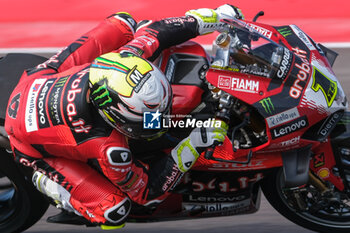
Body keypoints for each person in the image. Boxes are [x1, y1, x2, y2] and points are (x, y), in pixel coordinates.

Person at [4, 4, 243, 228]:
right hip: (27, 143)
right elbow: (147, 194)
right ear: (117, 119)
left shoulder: (128, 57)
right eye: (151, 115)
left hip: (38, 79)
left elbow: (160, 31)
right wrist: (191, 146)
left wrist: (214, 18)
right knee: (113, 211)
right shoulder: (110, 150)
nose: (165, 115)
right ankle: (45, 181)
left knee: (124, 23)